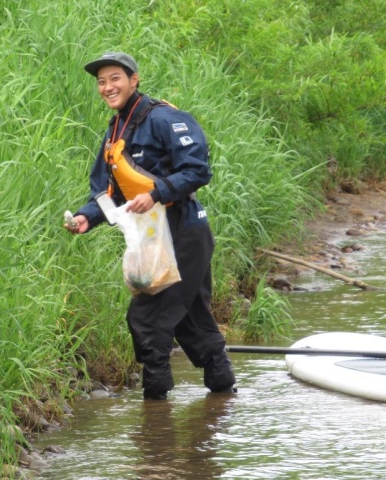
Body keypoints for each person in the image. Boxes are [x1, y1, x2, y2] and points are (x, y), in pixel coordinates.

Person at [65, 51, 236, 400]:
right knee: (191, 316)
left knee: (148, 316)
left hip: (184, 231)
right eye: (101, 81)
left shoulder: (164, 119)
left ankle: (154, 413)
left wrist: (157, 193)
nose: (107, 87)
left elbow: (198, 170)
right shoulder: (116, 131)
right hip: (151, 235)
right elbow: (105, 191)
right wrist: (88, 216)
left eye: (115, 78)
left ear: (134, 79)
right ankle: (222, 393)